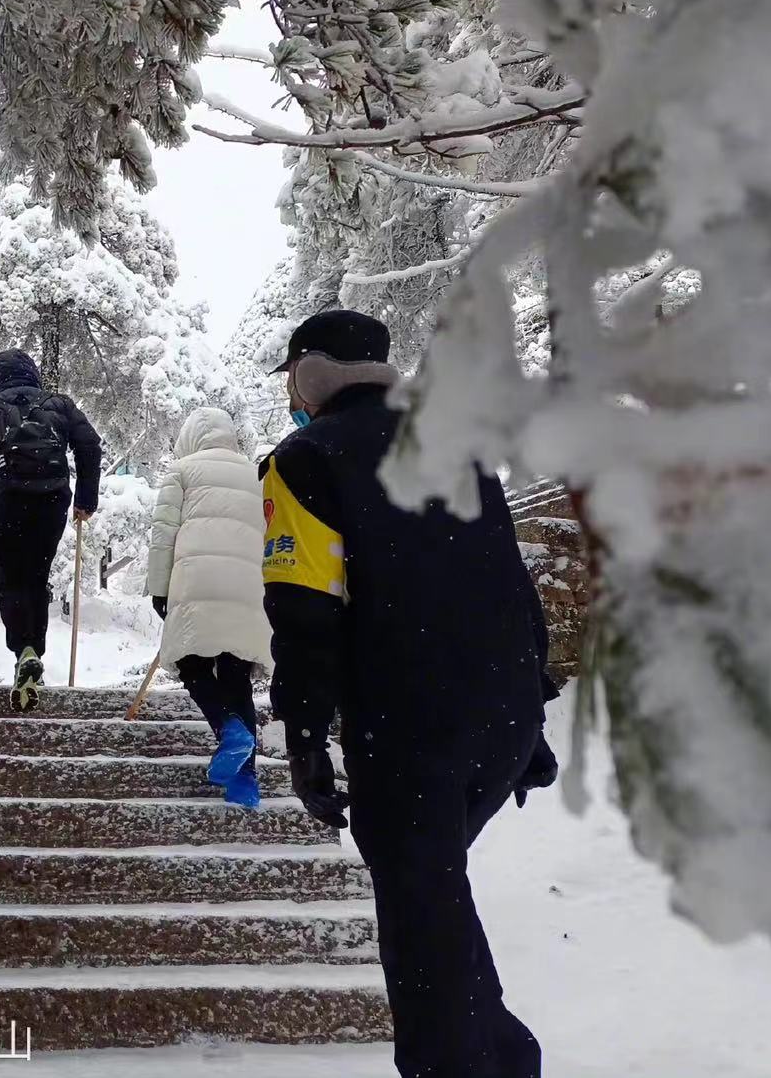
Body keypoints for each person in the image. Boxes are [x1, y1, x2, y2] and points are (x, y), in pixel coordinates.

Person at [260, 308, 559, 1078]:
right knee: (432, 893)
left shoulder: (304, 459)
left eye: (294, 374)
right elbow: (509, 581)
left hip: (408, 723)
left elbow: (304, 611)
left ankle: (469, 1065)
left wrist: (301, 739)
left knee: (420, 916)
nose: (291, 391)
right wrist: (531, 715)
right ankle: (503, 1057)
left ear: (314, 372)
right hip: (502, 717)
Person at [0, 348, 102, 711]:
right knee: (37, 578)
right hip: (52, 500)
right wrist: (85, 499)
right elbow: (90, 446)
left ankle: (23, 650)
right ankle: (34, 648)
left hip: (7, 500)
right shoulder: (60, 405)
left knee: (10, 582)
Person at [145, 406, 272, 808]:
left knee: (193, 664)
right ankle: (245, 781)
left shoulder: (182, 471)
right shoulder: (256, 475)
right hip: (249, 585)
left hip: (197, 579)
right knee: (236, 677)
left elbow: (164, 535)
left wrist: (159, 590)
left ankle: (228, 729)